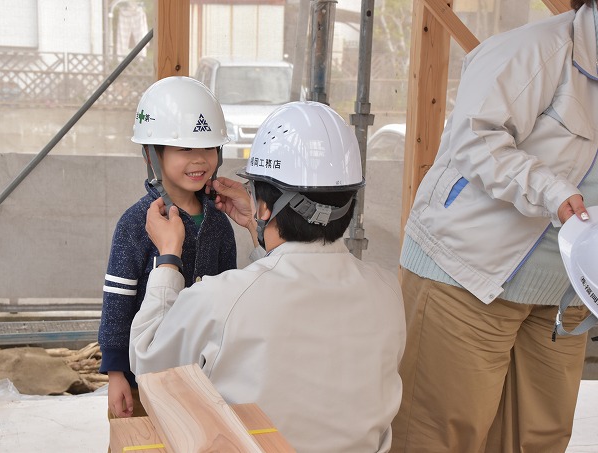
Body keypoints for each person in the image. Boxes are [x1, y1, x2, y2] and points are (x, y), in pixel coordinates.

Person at [129, 101, 406, 453]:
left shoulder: (221, 301)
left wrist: (168, 257)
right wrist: (259, 229)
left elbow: (149, 363)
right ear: (350, 202)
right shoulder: (386, 291)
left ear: (262, 204)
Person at [391, 1, 598, 451]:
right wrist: (553, 191)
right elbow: (475, 137)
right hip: (465, 273)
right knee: (436, 434)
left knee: (536, 439)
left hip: (565, 294)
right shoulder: (535, 49)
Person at [98, 76, 237, 419]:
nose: (200, 160)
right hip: (142, 380)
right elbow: (117, 303)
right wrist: (117, 374)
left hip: (203, 378)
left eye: (208, 148)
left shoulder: (219, 223)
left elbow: (231, 299)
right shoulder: (134, 224)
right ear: (152, 154)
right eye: (185, 148)